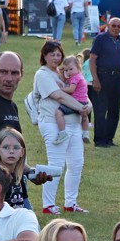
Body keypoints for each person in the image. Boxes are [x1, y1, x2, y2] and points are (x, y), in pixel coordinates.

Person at [32, 41, 90, 214]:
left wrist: (88, 106)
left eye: (58, 55)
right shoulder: (43, 74)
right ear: (44, 56)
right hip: (52, 123)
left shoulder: (66, 72)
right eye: (52, 55)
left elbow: (82, 92)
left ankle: (70, 203)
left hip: (74, 124)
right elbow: (59, 96)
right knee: (56, 165)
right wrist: (82, 108)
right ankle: (48, 205)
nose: (56, 58)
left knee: (76, 164)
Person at [89, 16, 120, 147]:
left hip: (117, 78)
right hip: (102, 76)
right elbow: (92, 59)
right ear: (108, 26)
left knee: (114, 110)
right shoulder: (100, 39)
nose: (116, 28)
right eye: (113, 25)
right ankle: (99, 140)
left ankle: (109, 138)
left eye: (119, 26)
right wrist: (95, 80)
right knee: (100, 110)